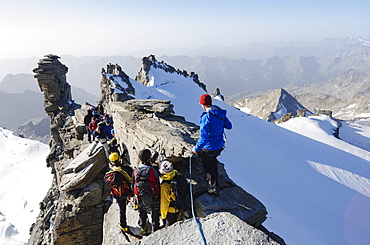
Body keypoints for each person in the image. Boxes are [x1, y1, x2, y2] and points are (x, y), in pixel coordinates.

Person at [192, 94, 232, 196]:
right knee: (213, 163)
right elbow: (229, 126)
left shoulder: (206, 117)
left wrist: (196, 149)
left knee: (208, 167)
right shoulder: (219, 113)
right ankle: (216, 183)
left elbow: (204, 138)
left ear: (202, 104)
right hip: (219, 146)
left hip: (209, 147)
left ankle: (213, 188)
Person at [132, 149, 160, 235]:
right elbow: (157, 182)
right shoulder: (153, 170)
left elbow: (133, 184)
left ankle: (142, 226)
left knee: (142, 211)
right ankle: (155, 229)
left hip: (140, 196)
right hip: (154, 195)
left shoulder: (135, 171)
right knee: (155, 213)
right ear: (150, 157)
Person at [104, 153, 134, 232]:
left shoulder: (110, 173)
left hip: (118, 194)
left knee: (122, 210)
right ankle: (136, 205)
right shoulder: (126, 169)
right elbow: (132, 179)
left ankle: (123, 226)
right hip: (128, 191)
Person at [159, 160, 179, 227]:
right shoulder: (177, 174)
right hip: (180, 206)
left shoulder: (165, 185)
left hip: (171, 211)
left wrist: (163, 216)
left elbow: (164, 203)